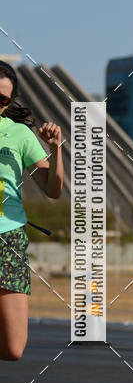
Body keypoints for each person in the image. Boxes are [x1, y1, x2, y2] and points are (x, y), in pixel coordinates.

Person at [0, 61, 64, 360]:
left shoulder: (19, 134)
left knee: (14, 349)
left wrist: (55, 149)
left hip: (8, 238)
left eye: (3, 100)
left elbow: (53, 190)